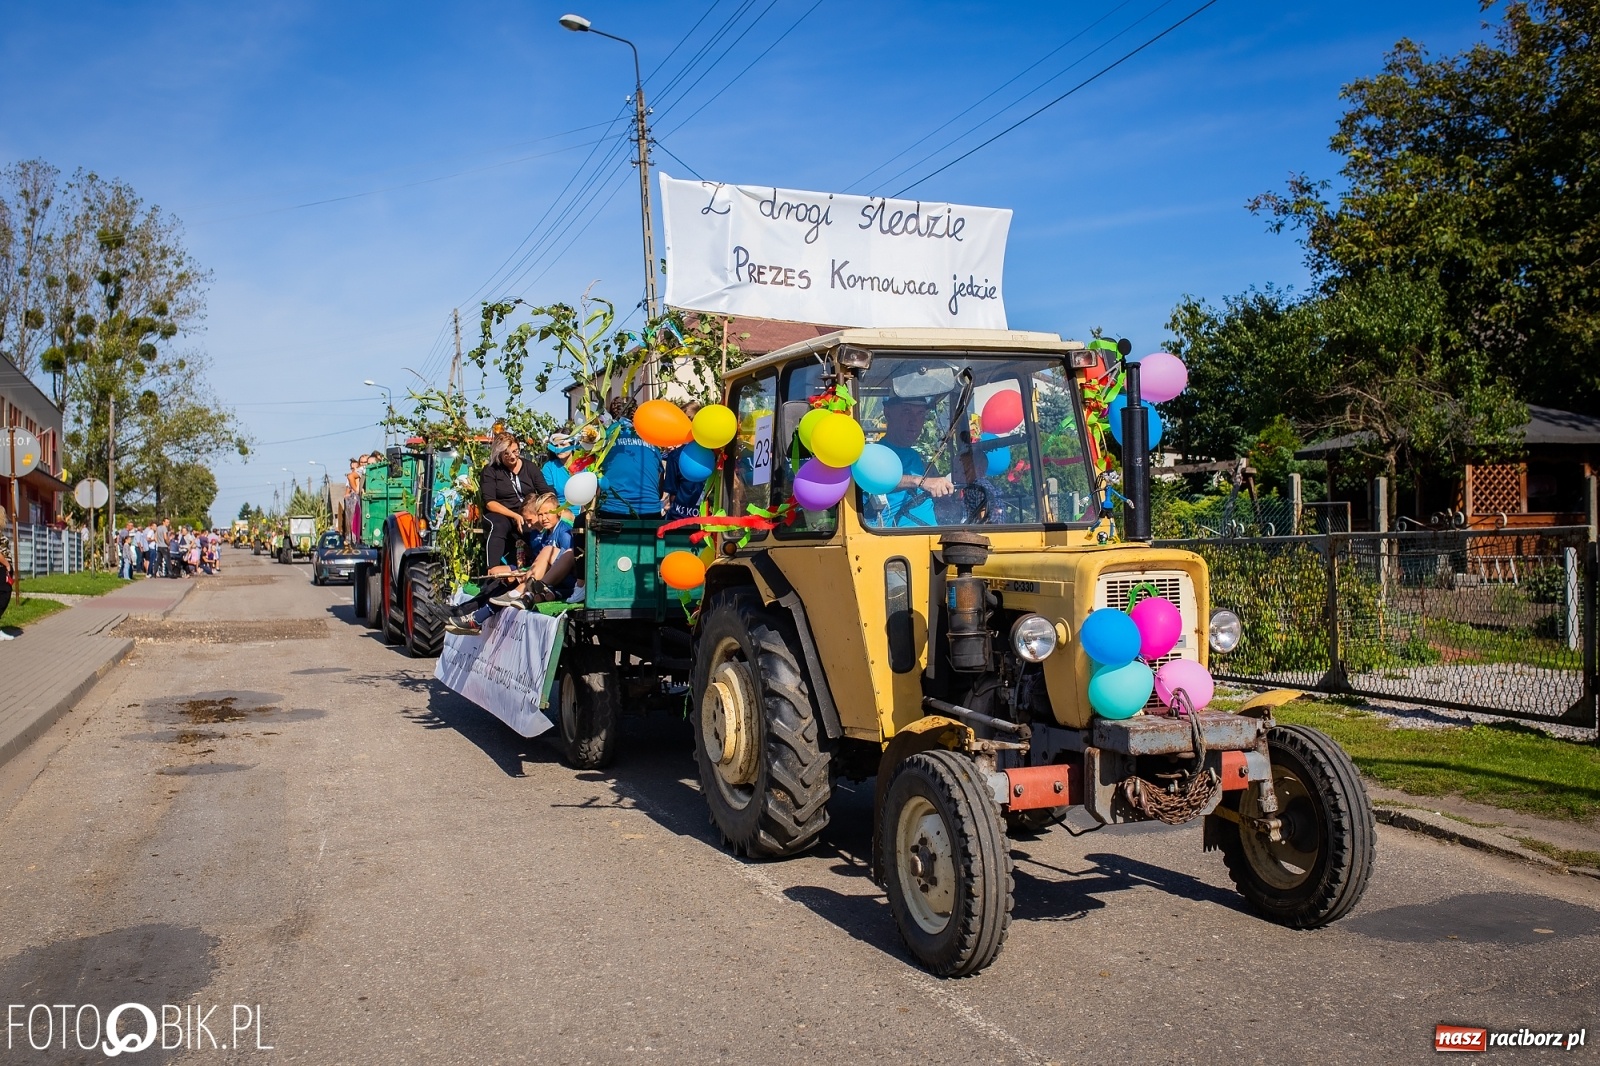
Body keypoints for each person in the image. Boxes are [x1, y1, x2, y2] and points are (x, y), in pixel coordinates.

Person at [871, 396, 955, 527]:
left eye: (920, 413)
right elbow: (876, 479)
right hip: (895, 541)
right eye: (906, 412)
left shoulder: (915, 457)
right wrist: (920, 481)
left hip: (933, 539)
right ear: (888, 413)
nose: (914, 421)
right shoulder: (875, 454)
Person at [478, 430, 552, 575]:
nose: (512, 456)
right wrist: (515, 515)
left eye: (515, 451)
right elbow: (490, 502)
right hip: (499, 512)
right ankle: (491, 570)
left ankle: (537, 568)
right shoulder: (491, 471)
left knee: (533, 525)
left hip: (525, 511)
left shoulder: (530, 467)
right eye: (506, 454)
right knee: (498, 525)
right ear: (499, 454)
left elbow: (544, 490)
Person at [596, 398, 663, 517]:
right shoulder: (651, 438)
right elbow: (660, 486)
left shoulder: (605, 439)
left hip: (612, 511)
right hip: (651, 512)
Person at [661, 402, 707, 519]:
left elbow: (672, 496)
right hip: (704, 521)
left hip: (679, 519)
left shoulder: (675, 456)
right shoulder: (713, 455)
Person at [541, 433, 574, 501]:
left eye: (562, 444)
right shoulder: (549, 468)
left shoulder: (584, 464)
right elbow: (550, 497)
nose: (558, 448)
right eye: (556, 445)